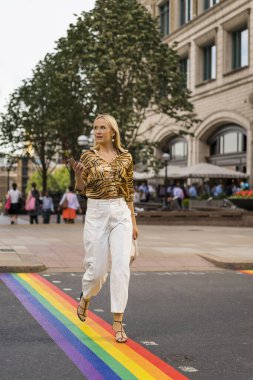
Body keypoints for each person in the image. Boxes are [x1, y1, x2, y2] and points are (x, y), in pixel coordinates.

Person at [72, 114, 138, 343]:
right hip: (96, 213)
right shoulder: (88, 157)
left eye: (103, 127)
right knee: (97, 271)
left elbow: (128, 190)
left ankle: (118, 321)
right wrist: (78, 176)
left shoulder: (126, 157)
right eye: (95, 128)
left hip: (121, 213)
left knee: (121, 267)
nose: (98, 131)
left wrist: (133, 222)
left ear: (113, 132)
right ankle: (86, 297)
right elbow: (81, 189)